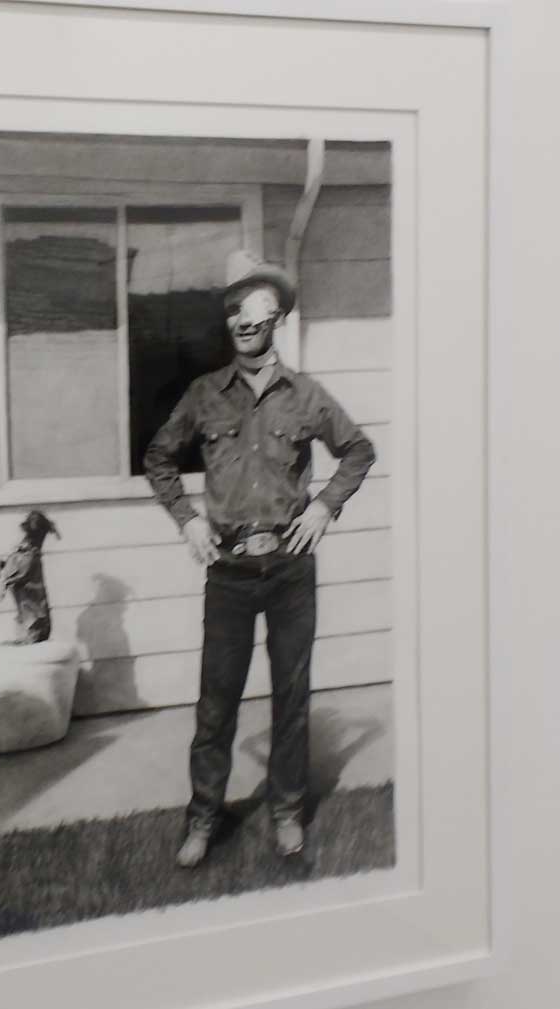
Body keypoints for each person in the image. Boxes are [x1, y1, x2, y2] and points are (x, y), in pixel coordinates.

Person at [143, 250, 376, 866]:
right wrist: (188, 519)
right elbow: (158, 458)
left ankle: (286, 812)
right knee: (216, 704)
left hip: (290, 572)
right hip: (228, 572)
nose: (243, 321)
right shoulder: (204, 395)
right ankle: (203, 818)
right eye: (234, 310)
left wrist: (323, 508)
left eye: (255, 309)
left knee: (291, 700)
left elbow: (357, 450)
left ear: (277, 317)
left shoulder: (306, 395)